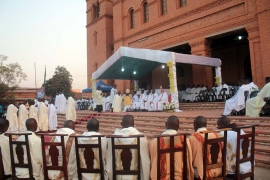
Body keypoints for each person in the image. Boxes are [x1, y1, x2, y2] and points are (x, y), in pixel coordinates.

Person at [105, 115, 150, 180]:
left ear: (121, 124)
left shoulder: (112, 138)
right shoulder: (141, 138)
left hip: (118, 177)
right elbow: (145, 162)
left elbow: (109, 161)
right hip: (135, 177)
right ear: (133, 124)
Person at [149, 116, 194, 180]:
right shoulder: (185, 140)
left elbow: (152, 163)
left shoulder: (154, 142)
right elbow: (189, 161)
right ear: (178, 127)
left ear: (166, 125)